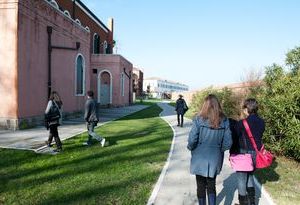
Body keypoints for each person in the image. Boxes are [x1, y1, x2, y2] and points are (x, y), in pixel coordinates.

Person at [187, 94, 232, 205]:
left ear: (205, 105)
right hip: (214, 156)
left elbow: (192, 139)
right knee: (211, 186)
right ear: (217, 105)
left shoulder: (198, 119)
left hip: (199, 156)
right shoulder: (224, 121)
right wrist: (219, 149)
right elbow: (228, 142)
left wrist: (191, 148)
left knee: (200, 186)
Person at [233, 98, 265, 205]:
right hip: (256, 154)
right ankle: (252, 202)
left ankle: (243, 203)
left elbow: (235, 137)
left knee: (241, 179)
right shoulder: (262, 122)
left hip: (244, 154)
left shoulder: (242, 123)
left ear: (247, 109)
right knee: (250, 176)